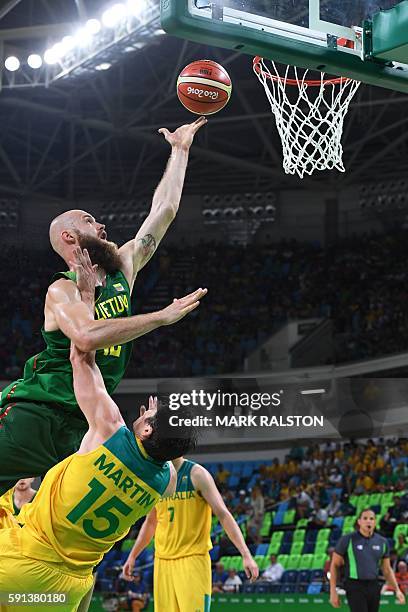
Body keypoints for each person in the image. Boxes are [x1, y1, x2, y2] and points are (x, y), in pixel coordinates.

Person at [0, 117, 208, 496]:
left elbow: (163, 212)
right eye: (90, 221)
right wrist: (160, 318)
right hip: (35, 413)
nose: (103, 225)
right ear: (69, 236)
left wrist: (180, 151)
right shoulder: (60, 290)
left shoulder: (122, 270)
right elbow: (85, 336)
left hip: (83, 424)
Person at [0, 342, 198, 611]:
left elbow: (80, 355)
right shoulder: (166, 482)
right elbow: (168, 459)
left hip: (18, 563)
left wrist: (86, 308)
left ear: (149, 431)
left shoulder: (108, 428)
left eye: (149, 414)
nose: (144, 411)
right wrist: (160, 429)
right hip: (62, 593)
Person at [122, 456, 258, 611]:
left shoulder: (198, 474)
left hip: (192, 560)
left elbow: (223, 514)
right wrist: (132, 556)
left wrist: (246, 554)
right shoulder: (157, 476)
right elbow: (151, 522)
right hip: (162, 562)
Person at [329, 508, 405, 611]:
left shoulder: (382, 542)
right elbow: (334, 565)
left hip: (374, 585)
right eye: (365, 518)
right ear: (359, 522)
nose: (368, 521)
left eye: (371, 518)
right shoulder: (347, 540)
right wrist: (332, 591)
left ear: (375, 522)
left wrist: (397, 590)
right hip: (354, 585)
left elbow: (387, 569)